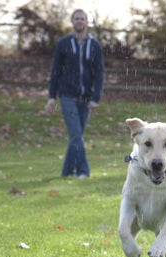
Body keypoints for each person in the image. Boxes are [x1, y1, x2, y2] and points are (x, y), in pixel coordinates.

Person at [45, 9, 104, 178]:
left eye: (82, 19)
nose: (79, 21)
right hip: (67, 96)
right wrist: (51, 97)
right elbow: (55, 71)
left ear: (86, 22)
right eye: (76, 19)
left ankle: (67, 172)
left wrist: (95, 98)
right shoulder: (63, 44)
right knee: (76, 134)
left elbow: (99, 73)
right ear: (72, 21)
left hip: (86, 99)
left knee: (75, 138)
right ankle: (84, 170)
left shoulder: (94, 45)